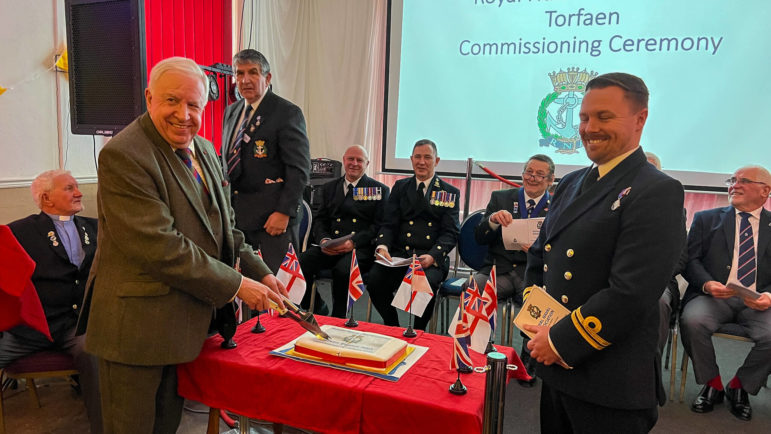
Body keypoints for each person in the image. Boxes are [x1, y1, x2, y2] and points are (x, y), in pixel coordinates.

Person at [80, 57, 286, 434]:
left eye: (193, 105)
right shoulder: (124, 155)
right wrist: (239, 285)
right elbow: (161, 247)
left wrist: (261, 272)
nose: (184, 115)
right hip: (135, 333)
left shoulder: (205, 150)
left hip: (181, 329)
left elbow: (226, 229)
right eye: (172, 101)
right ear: (149, 98)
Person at [523, 72, 685, 433]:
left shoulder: (657, 190)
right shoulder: (571, 182)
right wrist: (535, 326)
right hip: (556, 367)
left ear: (640, 119)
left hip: (609, 381)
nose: (588, 127)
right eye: (584, 117)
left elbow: (631, 292)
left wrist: (560, 342)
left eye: (604, 117)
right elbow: (540, 257)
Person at [3, 170, 102, 434]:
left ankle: (104, 428)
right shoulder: (19, 232)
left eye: (77, 187)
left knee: (93, 352)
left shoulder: (97, 227)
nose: (79, 192)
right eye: (70, 188)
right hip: (33, 329)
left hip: (77, 325)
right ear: (46, 198)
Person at [680, 165, 771, 421]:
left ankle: (740, 386)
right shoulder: (706, 219)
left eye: (744, 181)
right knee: (693, 320)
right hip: (713, 298)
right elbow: (690, 260)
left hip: (758, 303)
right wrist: (708, 284)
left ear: (765, 191)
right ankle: (713, 384)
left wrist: (769, 298)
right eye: (733, 180)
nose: (734, 185)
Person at [221, 49, 311, 273]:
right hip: (237, 220)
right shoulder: (231, 112)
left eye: (253, 72)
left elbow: (299, 169)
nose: (245, 80)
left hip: (272, 221)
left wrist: (284, 212)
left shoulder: (286, 112)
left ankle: (313, 306)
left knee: (279, 294)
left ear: (267, 78)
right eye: (239, 73)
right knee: (246, 293)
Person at [473, 153, 554, 387]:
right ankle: (480, 349)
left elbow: (565, 245)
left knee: (541, 302)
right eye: (529, 172)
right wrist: (492, 221)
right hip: (500, 268)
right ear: (522, 174)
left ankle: (530, 358)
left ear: (550, 180)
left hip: (535, 272)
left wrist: (540, 250)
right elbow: (479, 237)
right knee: (476, 288)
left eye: (540, 174)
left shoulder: (558, 204)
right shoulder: (501, 197)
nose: (533, 178)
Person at [368, 139, 460, 330]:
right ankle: (392, 325)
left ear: (437, 161)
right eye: (417, 157)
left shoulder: (449, 192)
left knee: (425, 283)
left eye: (427, 157)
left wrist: (434, 255)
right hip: (400, 255)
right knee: (374, 280)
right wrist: (382, 246)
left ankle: (418, 332)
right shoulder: (400, 188)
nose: (422, 162)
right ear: (411, 159)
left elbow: (450, 232)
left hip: (429, 258)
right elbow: (389, 224)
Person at [299, 145, 389, 317]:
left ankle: (338, 317)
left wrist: (353, 243)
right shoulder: (329, 187)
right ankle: (317, 306)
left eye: (359, 160)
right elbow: (320, 220)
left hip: (359, 249)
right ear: (344, 160)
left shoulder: (379, 190)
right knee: (300, 262)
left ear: (367, 163)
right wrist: (324, 240)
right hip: (330, 245)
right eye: (350, 159)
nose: (354, 163)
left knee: (342, 271)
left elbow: (378, 226)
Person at [645, 151, 688, 355]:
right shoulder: (614, 202)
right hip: (615, 277)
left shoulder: (674, 208)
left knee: (659, 302)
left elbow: (680, 257)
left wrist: (652, 276)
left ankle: (651, 362)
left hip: (658, 280)